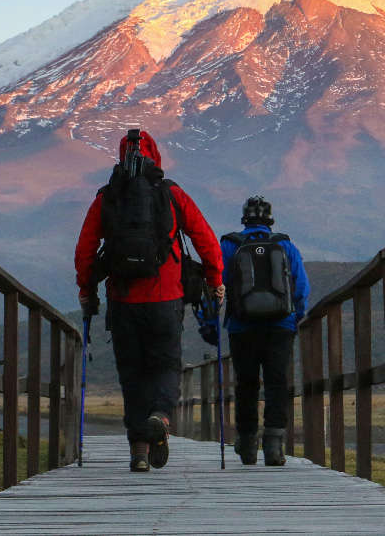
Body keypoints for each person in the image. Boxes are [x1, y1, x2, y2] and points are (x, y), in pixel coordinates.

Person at [75, 129, 224, 473]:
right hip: (165, 297)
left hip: (122, 299)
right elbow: (205, 240)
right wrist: (215, 281)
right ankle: (161, 416)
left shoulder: (107, 196)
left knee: (132, 373)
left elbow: (84, 250)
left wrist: (87, 290)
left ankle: (139, 450)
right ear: (155, 156)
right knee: (166, 365)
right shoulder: (170, 193)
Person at [221, 196, 310, 466]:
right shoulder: (284, 244)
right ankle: (273, 445)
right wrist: (295, 317)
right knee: (276, 383)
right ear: (270, 220)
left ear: (244, 219)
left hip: (242, 326)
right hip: (280, 326)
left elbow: (216, 284)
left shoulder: (230, 245)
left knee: (246, 384)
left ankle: (247, 444)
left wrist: (210, 324)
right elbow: (301, 287)